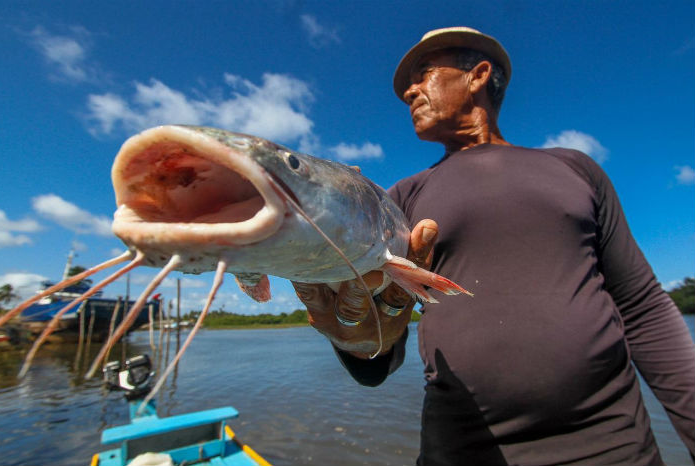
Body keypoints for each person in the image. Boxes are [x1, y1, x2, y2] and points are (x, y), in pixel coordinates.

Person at [292, 27, 695, 465]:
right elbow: (377, 355)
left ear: (478, 75)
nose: (409, 91)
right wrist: (354, 337)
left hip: (615, 445)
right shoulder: (403, 198)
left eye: (423, 73)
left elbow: (642, 307)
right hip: (464, 449)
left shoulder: (574, 168)